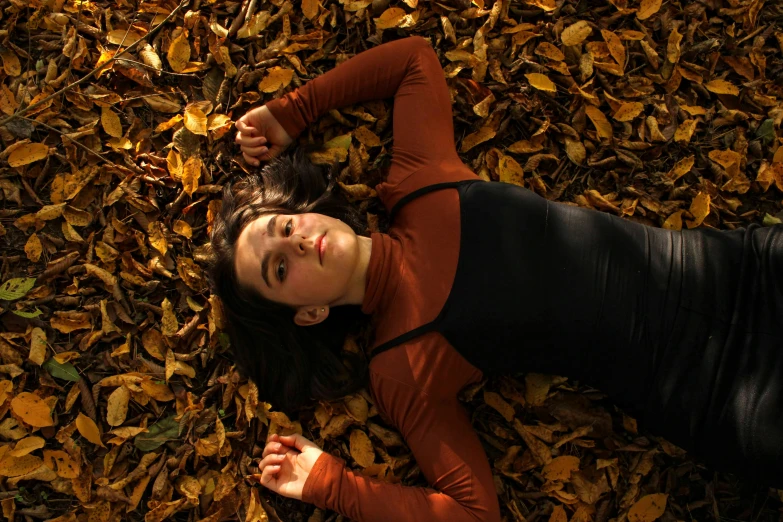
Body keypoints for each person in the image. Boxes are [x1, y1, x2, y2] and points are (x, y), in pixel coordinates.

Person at [210, 36, 783, 521]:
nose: (296, 241)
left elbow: (414, 58)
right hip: (725, 396)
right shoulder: (402, 366)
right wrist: (333, 487)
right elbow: (471, 510)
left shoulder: (419, 186)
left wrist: (292, 109)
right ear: (307, 314)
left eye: (283, 226)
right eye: (280, 268)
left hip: (743, 267)